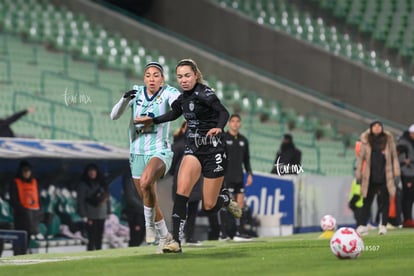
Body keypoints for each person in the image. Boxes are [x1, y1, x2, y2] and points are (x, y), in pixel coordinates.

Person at [134, 58, 242, 253]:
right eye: (180, 77)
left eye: (187, 76)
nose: (183, 80)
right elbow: (173, 114)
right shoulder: (183, 99)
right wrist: (152, 120)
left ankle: (225, 200)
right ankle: (175, 241)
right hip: (193, 149)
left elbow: (223, 113)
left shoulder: (205, 93)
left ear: (195, 75)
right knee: (181, 192)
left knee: (209, 205)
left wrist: (218, 127)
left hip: (214, 151)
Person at [110, 61, 180, 253]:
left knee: (147, 181)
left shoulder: (168, 92)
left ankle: (149, 225)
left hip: (160, 150)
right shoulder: (136, 93)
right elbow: (114, 116)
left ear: (162, 79)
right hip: (136, 152)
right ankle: (166, 238)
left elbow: (177, 107)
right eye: (148, 75)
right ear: (144, 78)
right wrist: (124, 100)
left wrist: (156, 118)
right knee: (148, 196)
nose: (152, 78)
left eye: (156, 75)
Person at [355, 120, 400, 235]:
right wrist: (358, 175)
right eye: (374, 126)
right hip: (370, 176)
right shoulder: (365, 141)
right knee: (366, 201)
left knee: (385, 202)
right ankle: (362, 225)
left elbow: (394, 158)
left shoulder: (388, 141)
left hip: (385, 176)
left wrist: (396, 174)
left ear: (382, 128)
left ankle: (383, 225)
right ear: (370, 128)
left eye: (379, 126)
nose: (377, 128)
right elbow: (360, 160)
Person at [220, 114, 254, 241]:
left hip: (239, 177)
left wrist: (249, 174)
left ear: (240, 124)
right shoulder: (223, 138)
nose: (235, 123)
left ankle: (239, 233)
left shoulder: (243, 140)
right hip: (226, 176)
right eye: (233, 121)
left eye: (237, 121)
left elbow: (247, 160)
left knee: (240, 204)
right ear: (229, 123)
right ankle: (223, 234)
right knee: (226, 204)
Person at [170, 121, 203, 245]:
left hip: (195, 183)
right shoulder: (178, 145)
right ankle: (176, 236)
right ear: (183, 129)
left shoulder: (199, 145)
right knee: (180, 209)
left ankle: (189, 237)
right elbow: (172, 166)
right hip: (181, 183)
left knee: (193, 211)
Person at [8, 160, 42, 255]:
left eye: (28, 171)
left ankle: (25, 256)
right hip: (21, 217)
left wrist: (39, 211)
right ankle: (18, 256)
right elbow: (13, 200)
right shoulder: (15, 182)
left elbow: (38, 198)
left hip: (33, 216)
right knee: (20, 239)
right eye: (24, 171)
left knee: (28, 239)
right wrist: (23, 211)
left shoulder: (35, 182)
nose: (27, 173)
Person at [76, 163, 111, 251]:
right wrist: (83, 214)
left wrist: (108, 211)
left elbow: (107, 198)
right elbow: (80, 201)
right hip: (90, 214)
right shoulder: (83, 185)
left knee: (99, 236)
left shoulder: (102, 183)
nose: (92, 173)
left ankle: (99, 252)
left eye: (94, 171)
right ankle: (90, 253)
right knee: (91, 237)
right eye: (90, 171)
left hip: (101, 214)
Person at [397, 124, 414, 228]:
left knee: (411, 197)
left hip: (412, 172)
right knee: (408, 197)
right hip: (407, 174)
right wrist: (406, 163)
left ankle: (409, 219)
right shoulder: (403, 143)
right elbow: (401, 160)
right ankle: (407, 219)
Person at [121, 175, 145, 247]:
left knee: (142, 234)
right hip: (135, 212)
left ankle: (136, 251)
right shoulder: (130, 180)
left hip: (142, 212)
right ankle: (132, 251)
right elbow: (130, 197)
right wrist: (143, 206)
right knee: (136, 235)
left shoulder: (144, 178)